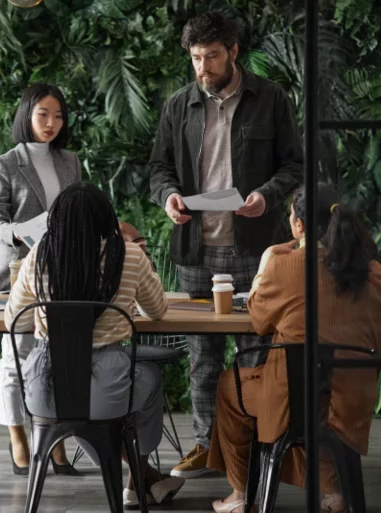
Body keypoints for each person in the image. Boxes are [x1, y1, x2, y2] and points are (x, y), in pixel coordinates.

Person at [148, 11, 304, 478]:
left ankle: (253, 448)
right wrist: (168, 197)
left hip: (257, 250)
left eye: (211, 56)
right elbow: (159, 168)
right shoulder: (179, 104)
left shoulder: (271, 98)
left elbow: (295, 165)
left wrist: (267, 195)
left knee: (256, 352)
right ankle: (205, 446)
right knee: (203, 357)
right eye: (195, 58)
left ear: (233, 52)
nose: (202, 67)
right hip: (197, 249)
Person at [207, 183, 381, 513]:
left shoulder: (282, 265)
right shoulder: (368, 271)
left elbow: (259, 320)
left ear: (298, 224)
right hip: (350, 405)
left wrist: (266, 260)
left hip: (293, 404)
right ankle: (331, 491)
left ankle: (239, 495)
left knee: (233, 386)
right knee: (316, 393)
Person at [5, 183, 185, 508]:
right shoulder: (128, 255)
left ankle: (141, 478)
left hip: (47, 392)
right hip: (107, 389)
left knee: (82, 413)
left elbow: (13, 319)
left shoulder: (40, 255)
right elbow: (157, 311)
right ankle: (139, 479)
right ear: (107, 219)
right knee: (149, 378)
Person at [0, 83, 82, 475]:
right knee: (15, 361)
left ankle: (53, 440)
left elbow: (76, 213)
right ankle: (18, 438)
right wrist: (22, 230)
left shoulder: (70, 161)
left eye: (58, 116)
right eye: (43, 114)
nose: (52, 123)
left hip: (62, 272)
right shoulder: (5, 163)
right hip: (20, 273)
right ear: (27, 114)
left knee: (57, 360)